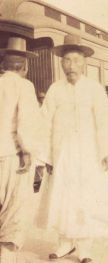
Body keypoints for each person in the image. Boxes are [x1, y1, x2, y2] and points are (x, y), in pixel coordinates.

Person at [36, 34, 108, 263]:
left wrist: (107, 151)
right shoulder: (55, 90)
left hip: (89, 155)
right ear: (61, 63)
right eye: (66, 61)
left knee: (85, 198)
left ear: (84, 63)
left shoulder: (94, 89)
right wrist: (46, 156)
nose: (71, 66)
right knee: (62, 197)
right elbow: (45, 122)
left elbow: (104, 121)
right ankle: (64, 243)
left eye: (75, 60)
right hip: (62, 154)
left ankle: (84, 248)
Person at [0, 37, 40, 262]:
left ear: (2, 66)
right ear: (25, 67)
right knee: (13, 214)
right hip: (12, 158)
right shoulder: (25, 86)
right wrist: (28, 152)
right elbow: (26, 123)